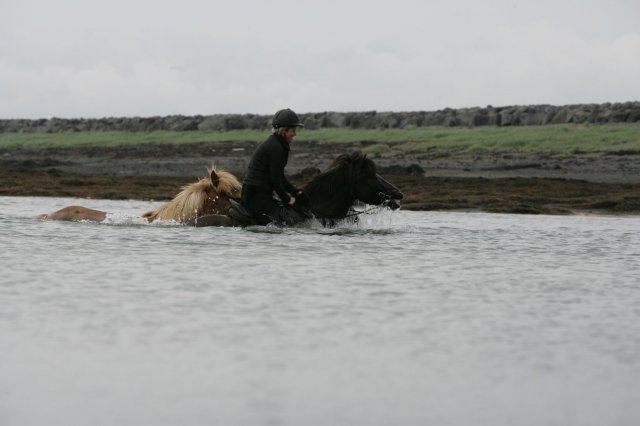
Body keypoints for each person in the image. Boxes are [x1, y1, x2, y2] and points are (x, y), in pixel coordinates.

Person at [241, 108, 310, 225]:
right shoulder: (276, 148)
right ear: (284, 131)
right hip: (255, 196)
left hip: (260, 193)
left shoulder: (277, 144)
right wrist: (287, 199)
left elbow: (279, 176)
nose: (295, 134)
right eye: (293, 130)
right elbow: (275, 180)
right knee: (280, 224)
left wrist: (295, 192)